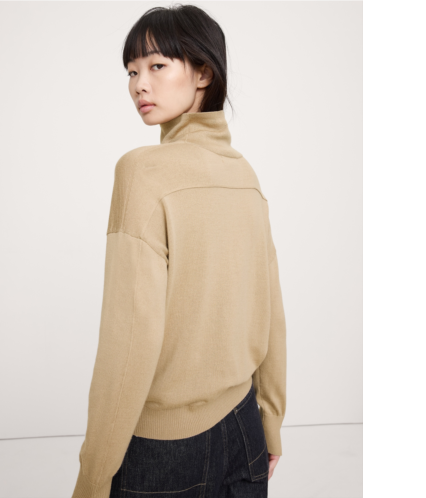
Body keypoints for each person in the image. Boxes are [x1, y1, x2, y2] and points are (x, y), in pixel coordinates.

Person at [72, 5, 286, 498]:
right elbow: (272, 307)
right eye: (131, 71)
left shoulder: (141, 171)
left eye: (157, 65)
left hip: (164, 450)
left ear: (204, 73)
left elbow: (130, 338)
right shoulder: (244, 174)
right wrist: (271, 420)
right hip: (246, 429)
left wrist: (93, 476)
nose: (139, 85)